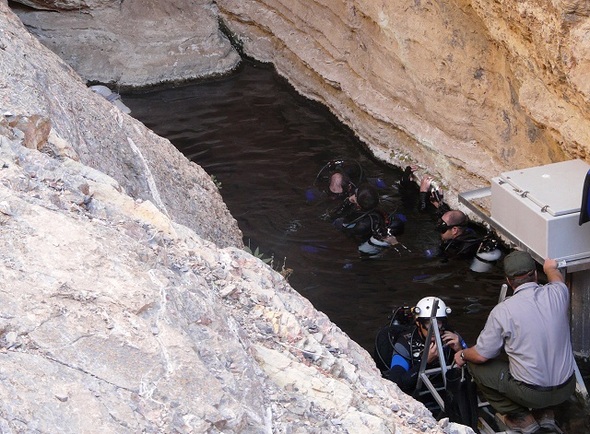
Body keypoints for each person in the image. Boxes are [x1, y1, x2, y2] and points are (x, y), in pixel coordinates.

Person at [455, 251, 576, 434]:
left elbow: (481, 355)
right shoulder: (558, 294)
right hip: (566, 389)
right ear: (535, 274)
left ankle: (521, 417)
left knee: (475, 365)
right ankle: (545, 414)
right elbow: (556, 278)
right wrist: (550, 268)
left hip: (533, 394)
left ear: (509, 281)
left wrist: (462, 354)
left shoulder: (503, 311)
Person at [374, 296, 467, 395]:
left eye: (439, 323)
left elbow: (473, 370)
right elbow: (396, 383)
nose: (434, 329)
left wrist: (460, 351)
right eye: (428, 323)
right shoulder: (405, 343)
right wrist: (426, 362)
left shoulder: (452, 338)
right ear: (418, 323)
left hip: (446, 391)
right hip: (418, 393)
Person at [332, 183, 404, 256]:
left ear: (358, 204)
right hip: (383, 237)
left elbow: (335, 219)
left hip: (370, 245)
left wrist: (348, 201)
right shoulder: (381, 212)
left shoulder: (361, 222)